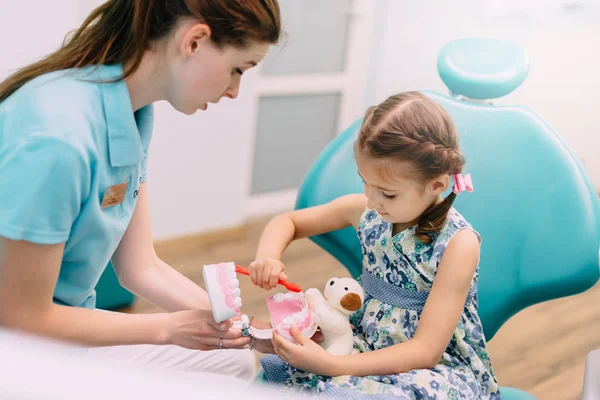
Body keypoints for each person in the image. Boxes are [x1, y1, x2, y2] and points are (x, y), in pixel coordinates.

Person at [0, 0, 282, 381]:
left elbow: (141, 267)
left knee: (231, 359)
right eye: (237, 69)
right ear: (194, 41)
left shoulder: (131, 111)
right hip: (19, 348)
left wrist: (247, 331)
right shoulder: (58, 140)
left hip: (56, 333)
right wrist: (167, 329)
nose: (234, 90)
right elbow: (21, 317)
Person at [248, 92, 501, 398]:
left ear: (438, 183)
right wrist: (268, 257)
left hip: (431, 368)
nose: (371, 200)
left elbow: (425, 351)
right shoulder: (366, 210)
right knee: (279, 371)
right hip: (363, 340)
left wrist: (330, 365)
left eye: (387, 193)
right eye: (364, 182)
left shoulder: (458, 244)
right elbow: (286, 222)